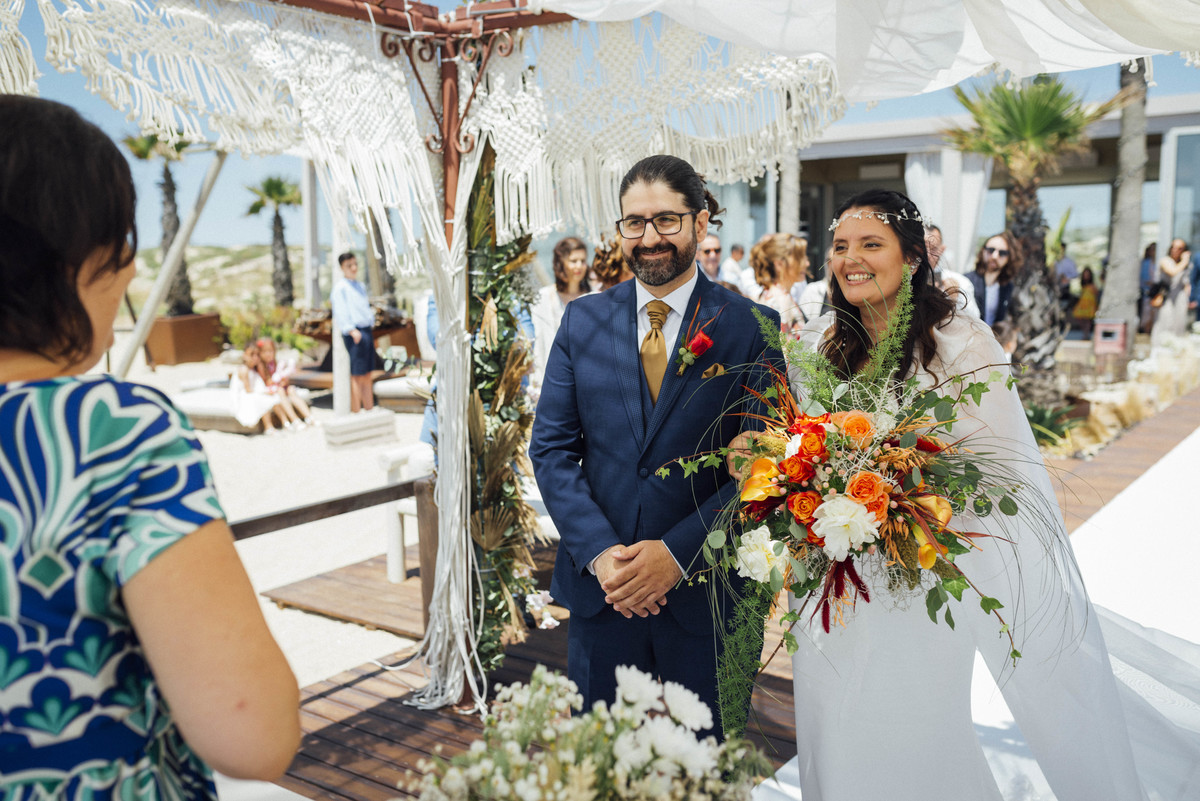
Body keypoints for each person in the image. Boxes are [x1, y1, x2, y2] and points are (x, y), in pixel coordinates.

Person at [757, 188, 1156, 799]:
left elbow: (998, 473)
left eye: (871, 244)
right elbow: (797, 446)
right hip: (828, 585)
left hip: (917, 582)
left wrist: (900, 495)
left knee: (913, 735)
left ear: (912, 257)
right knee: (829, 731)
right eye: (840, 247)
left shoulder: (961, 343)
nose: (850, 259)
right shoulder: (815, 344)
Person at [0, 95, 299, 797]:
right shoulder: (108, 428)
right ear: (78, 255)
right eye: (122, 240)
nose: (132, 271)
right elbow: (253, 732)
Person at [530, 154, 780, 734]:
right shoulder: (581, 321)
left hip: (709, 597)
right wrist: (601, 555)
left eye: (666, 220)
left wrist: (676, 555)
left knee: (708, 768)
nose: (649, 237)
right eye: (633, 223)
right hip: (606, 593)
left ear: (701, 221)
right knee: (603, 768)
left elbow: (766, 467)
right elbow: (552, 449)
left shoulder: (752, 326)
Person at [531, 236, 589, 391]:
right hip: (550, 379)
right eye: (573, 260)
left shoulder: (594, 298)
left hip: (584, 381)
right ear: (561, 263)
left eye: (582, 261)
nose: (579, 266)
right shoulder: (543, 298)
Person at [330, 251, 376, 412]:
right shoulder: (340, 288)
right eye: (349, 265)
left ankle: (369, 408)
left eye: (355, 264)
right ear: (342, 267)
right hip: (355, 332)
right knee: (357, 374)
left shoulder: (360, 286)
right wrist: (351, 330)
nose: (354, 268)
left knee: (368, 372)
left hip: (366, 330)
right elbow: (340, 312)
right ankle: (356, 410)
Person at [749, 232, 807, 331]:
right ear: (779, 263)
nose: (806, 263)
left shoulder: (781, 295)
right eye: (799, 258)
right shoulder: (779, 301)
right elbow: (782, 345)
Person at [231, 341, 289, 433]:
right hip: (245, 396)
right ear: (245, 355)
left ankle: (285, 423)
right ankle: (268, 427)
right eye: (251, 355)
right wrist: (264, 392)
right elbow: (248, 390)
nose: (254, 358)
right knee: (263, 400)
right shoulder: (243, 369)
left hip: (251, 393)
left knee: (274, 398)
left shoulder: (253, 369)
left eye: (257, 355)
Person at [259, 337, 317, 427]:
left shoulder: (274, 363)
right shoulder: (261, 366)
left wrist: (283, 380)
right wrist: (278, 382)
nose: (268, 354)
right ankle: (294, 419)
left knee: (291, 390)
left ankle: (309, 417)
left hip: (279, 387)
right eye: (264, 351)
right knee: (281, 391)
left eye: (270, 351)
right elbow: (266, 382)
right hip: (271, 390)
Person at [926, 223, 980, 318]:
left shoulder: (961, 282)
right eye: (922, 248)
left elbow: (975, 318)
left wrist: (954, 298)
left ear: (942, 249)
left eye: (933, 249)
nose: (927, 255)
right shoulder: (901, 279)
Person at [967, 231, 1019, 326]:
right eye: (991, 250)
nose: (995, 256)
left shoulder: (1008, 286)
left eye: (1002, 253)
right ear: (983, 251)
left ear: (1009, 257)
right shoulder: (966, 281)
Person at [1152, 238, 1193, 346]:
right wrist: (1185, 261)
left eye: (1179, 248)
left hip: (1180, 298)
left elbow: (1186, 283)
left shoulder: (1187, 265)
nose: (1175, 250)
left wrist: (1189, 298)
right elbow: (1172, 272)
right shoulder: (1165, 260)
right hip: (1167, 297)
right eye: (1173, 247)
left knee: (1179, 324)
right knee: (1165, 323)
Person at [1072, 265, 1099, 338]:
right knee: (1079, 317)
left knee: (1088, 320)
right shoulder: (1083, 285)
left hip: (1090, 304)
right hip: (1083, 304)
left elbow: (1096, 294)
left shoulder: (1092, 285)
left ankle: (1086, 334)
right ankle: (1085, 332)